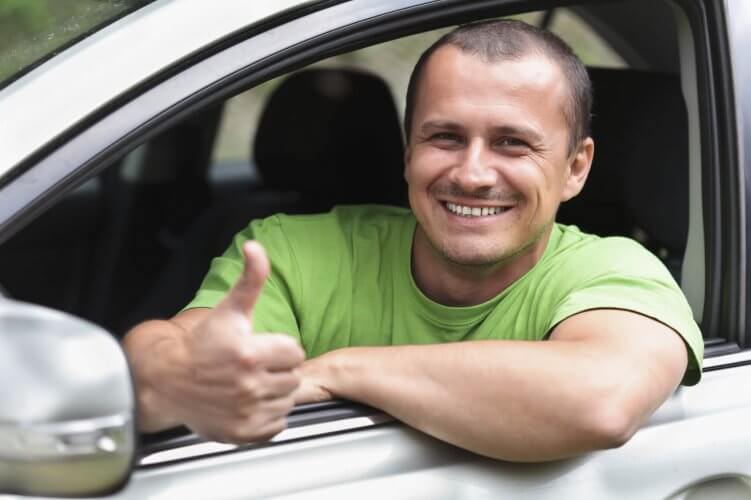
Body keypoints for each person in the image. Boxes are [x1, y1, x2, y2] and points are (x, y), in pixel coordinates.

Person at [124, 19, 703, 461]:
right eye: (445, 137)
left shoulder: (616, 271)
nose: (473, 173)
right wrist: (178, 377)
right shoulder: (291, 250)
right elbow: (161, 363)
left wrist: (339, 370)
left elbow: (598, 401)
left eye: (512, 144)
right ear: (408, 152)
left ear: (576, 168)